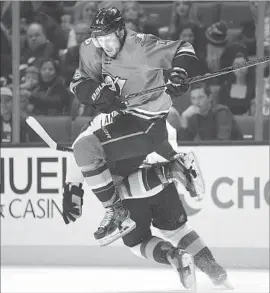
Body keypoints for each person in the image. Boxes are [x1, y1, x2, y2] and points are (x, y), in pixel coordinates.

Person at [69, 7, 202, 246]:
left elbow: (185, 48)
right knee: (112, 182)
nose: (105, 45)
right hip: (124, 121)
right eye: (100, 39)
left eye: (109, 38)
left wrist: (179, 73)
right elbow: (79, 83)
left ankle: (118, 213)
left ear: (120, 31)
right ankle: (173, 168)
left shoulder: (141, 46)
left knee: (85, 149)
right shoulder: (91, 48)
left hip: (147, 120)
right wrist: (96, 92)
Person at [62, 111, 232, 290]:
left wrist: (72, 188)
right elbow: (163, 154)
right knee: (179, 231)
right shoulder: (160, 120)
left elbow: (79, 149)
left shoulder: (98, 120)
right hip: (160, 186)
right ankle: (214, 269)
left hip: (129, 194)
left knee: (136, 242)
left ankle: (174, 256)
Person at [177, 81, 243, 141]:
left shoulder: (222, 112)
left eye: (200, 97)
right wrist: (184, 118)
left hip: (235, 151)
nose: (196, 102)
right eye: (193, 98)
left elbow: (222, 142)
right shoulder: (193, 115)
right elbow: (183, 144)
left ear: (210, 97)